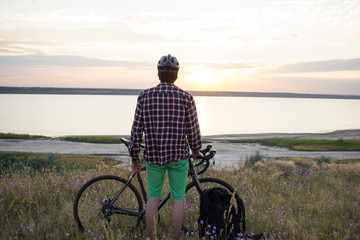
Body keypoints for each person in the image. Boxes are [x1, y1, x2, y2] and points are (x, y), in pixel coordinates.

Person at [128, 54, 202, 239]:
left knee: (152, 198)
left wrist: (135, 158)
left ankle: (152, 238)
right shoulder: (186, 97)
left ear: (158, 74)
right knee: (178, 199)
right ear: (176, 75)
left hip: (153, 157)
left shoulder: (144, 96)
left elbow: (136, 131)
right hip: (178, 158)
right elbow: (193, 129)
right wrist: (196, 149)